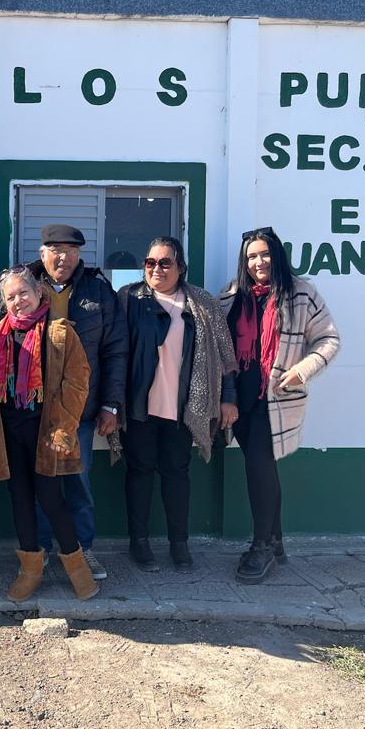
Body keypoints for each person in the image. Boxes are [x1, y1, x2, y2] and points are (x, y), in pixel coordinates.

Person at [0, 265, 99, 603]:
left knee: (52, 499)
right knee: (20, 499)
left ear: (39, 293)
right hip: (8, 431)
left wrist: (64, 427)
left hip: (45, 430)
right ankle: (30, 568)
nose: (18, 301)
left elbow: (77, 382)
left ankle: (76, 566)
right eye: (10, 297)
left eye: (23, 293)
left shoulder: (59, 333)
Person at [221, 226, 340, 583]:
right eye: (252, 256)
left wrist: (302, 371)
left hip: (275, 397)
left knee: (259, 466)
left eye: (265, 254)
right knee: (261, 467)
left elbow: (329, 339)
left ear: (277, 255)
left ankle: (262, 546)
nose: (259, 262)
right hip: (239, 398)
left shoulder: (301, 293)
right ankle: (276, 541)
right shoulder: (232, 295)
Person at [119, 236, 238, 573]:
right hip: (140, 406)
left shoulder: (202, 303)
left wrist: (228, 397)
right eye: (150, 262)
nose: (156, 269)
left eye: (165, 262)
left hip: (185, 407)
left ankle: (179, 543)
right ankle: (138, 542)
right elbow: (113, 351)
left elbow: (225, 356)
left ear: (181, 267)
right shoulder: (129, 298)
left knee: (177, 474)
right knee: (139, 473)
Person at [26, 224, 127, 580]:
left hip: (80, 410)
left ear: (79, 255)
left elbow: (115, 350)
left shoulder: (98, 291)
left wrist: (111, 404)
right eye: (54, 248)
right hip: (33, 409)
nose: (62, 256)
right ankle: (38, 552)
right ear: (42, 253)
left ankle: (82, 551)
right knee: (39, 483)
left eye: (70, 250)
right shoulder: (23, 287)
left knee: (78, 484)